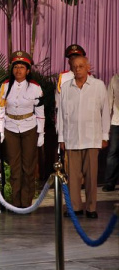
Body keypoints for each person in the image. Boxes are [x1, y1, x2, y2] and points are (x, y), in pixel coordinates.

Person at [57, 56, 110, 218]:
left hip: (92, 138)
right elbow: (61, 115)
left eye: (81, 66)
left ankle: (91, 208)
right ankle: (75, 207)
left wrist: (104, 136)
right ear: (71, 69)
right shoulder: (65, 87)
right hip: (72, 138)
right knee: (73, 177)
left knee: (91, 176)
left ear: (88, 67)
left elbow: (105, 112)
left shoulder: (98, 86)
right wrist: (61, 138)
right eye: (75, 66)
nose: (78, 69)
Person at [0, 51, 45, 208]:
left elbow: (40, 112)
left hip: (29, 128)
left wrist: (41, 133)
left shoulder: (35, 88)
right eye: (15, 67)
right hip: (10, 129)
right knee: (15, 167)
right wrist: (1, 131)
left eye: (22, 67)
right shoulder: (4, 86)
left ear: (28, 70)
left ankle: (27, 203)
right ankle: (15, 203)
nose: (18, 70)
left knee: (28, 168)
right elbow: (1, 110)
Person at [55, 44, 87, 131]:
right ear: (69, 61)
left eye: (77, 57)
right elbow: (58, 102)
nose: (74, 61)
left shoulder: (90, 78)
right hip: (67, 121)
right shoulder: (63, 77)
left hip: (85, 121)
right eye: (72, 58)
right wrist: (58, 125)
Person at [102, 73, 119, 192]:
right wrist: (105, 126)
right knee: (113, 153)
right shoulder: (115, 79)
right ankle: (109, 182)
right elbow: (108, 103)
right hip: (116, 122)